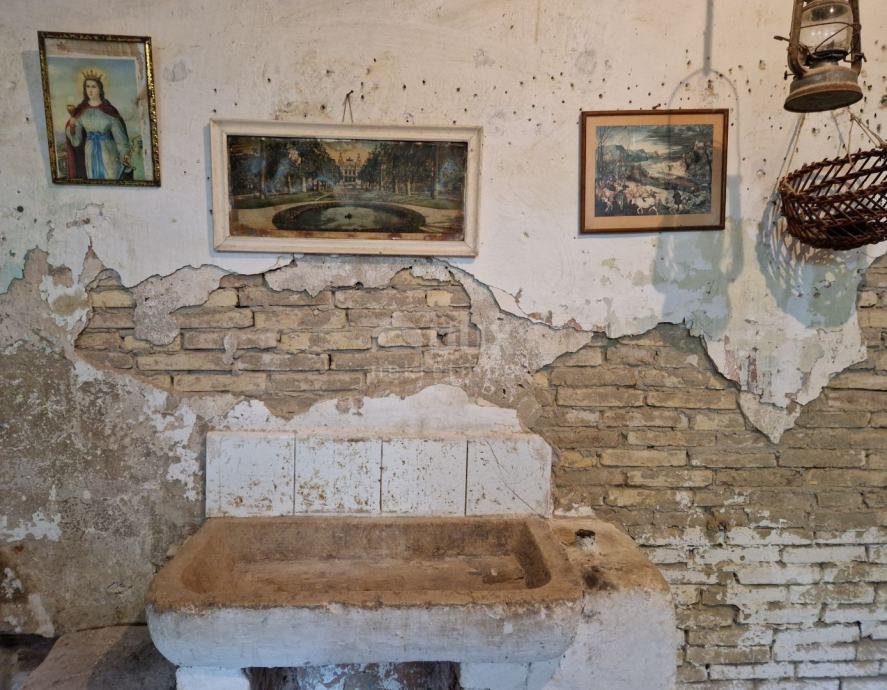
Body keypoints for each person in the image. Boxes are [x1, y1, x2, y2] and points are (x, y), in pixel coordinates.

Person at [65, 70, 132, 180]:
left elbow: (121, 140)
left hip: (108, 153)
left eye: (93, 87)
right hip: (90, 153)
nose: (90, 90)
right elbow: (76, 141)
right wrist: (72, 127)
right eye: (87, 87)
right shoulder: (81, 112)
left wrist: (125, 155)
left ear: (100, 89)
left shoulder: (109, 111)